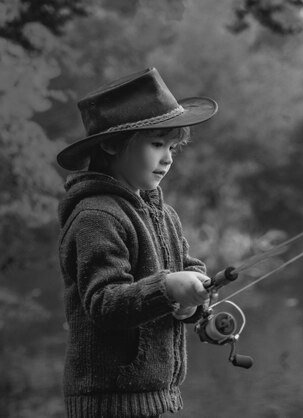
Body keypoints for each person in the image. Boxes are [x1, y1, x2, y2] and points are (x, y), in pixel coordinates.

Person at [56, 67, 218, 417]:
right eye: (157, 144)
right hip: (109, 405)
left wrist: (191, 302)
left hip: (161, 399)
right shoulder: (96, 216)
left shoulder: (165, 214)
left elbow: (186, 269)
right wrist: (168, 288)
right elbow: (105, 302)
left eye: (173, 147)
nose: (169, 157)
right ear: (113, 144)